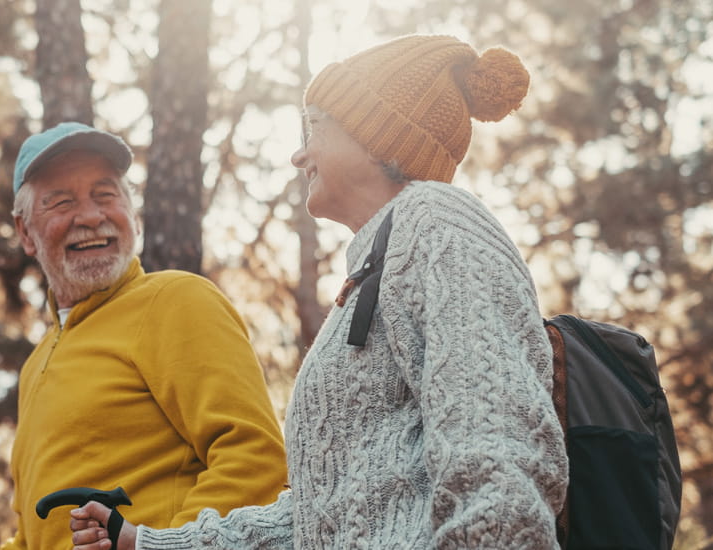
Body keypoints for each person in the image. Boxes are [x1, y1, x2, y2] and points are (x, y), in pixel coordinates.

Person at [68, 35, 569, 549]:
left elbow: (495, 449)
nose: (298, 153)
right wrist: (146, 543)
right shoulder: (375, 265)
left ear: (377, 135)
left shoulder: (440, 226)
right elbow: (318, 515)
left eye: (316, 127)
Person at [0, 122, 288, 549]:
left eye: (106, 195)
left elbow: (255, 460)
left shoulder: (175, 299)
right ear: (25, 232)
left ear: (131, 214)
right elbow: (32, 534)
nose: (92, 216)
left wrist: (159, 545)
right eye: (62, 202)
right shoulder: (36, 365)